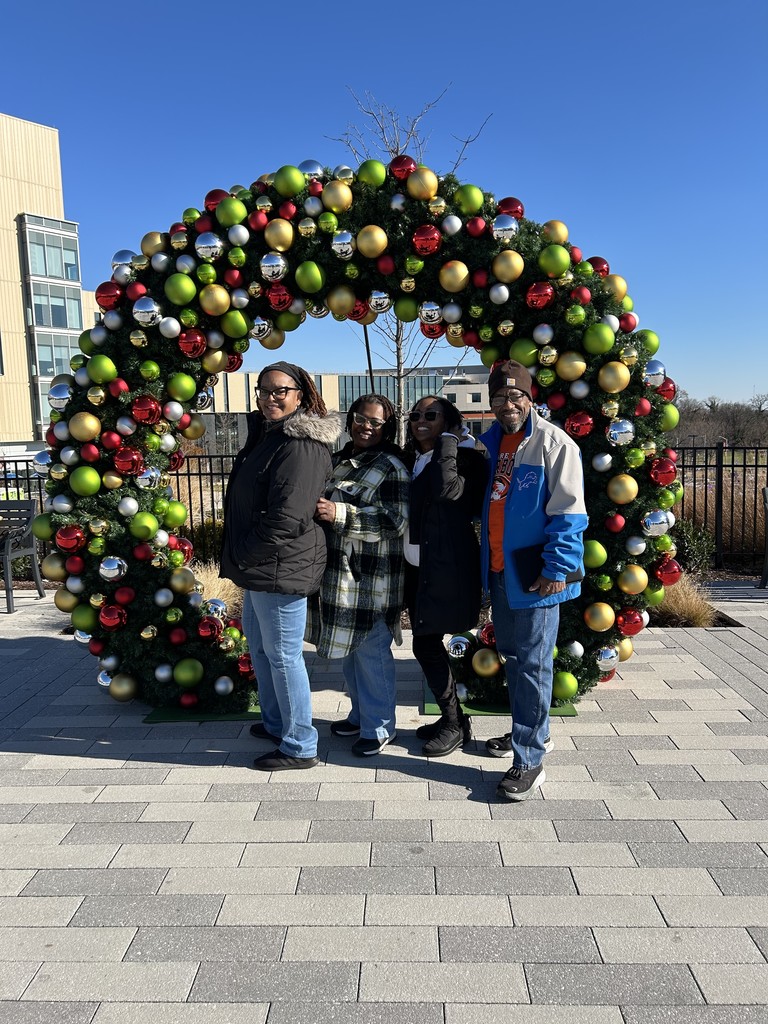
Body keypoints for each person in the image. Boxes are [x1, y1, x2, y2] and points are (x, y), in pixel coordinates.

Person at [219, 361, 340, 771]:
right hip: (259, 565)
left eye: (280, 391)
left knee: (285, 657)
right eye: (264, 390)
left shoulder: (301, 444)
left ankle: (300, 744)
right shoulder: (270, 437)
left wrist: (245, 553)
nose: (271, 398)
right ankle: (276, 723)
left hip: (279, 565)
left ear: (300, 395)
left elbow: (288, 516)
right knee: (262, 650)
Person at [480, 360, 587, 801]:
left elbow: (569, 511)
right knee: (513, 657)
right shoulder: (489, 444)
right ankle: (533, 732)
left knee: (534, 666)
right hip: (500, 571)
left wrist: (556, 568)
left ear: (530, 399)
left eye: (516, 396)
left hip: (537, 575)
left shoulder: (553, 443)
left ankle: (529, 760)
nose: (508, 404)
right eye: (500, 397)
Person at [310, 394, 409, 756]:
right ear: (350, 418)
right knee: (351, 653)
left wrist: (339, 513)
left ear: (387, 427)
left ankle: (381, 727)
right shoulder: (338, 461)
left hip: (372, 579)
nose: (367, 426)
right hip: (339, 577)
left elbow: (394, 521)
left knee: (371, 654)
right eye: (361, 418)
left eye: (376, 422)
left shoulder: (391, 467)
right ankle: (360, 714)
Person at [403, 395, 488, 757]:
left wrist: (450, 442)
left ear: (450, 422)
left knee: (425, 641)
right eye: (416, 414)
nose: (421, 420)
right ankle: (451, 717)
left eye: (431, 415)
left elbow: (447, 490)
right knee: (425, 642)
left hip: (446, 566)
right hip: (415, 566)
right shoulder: (411, 457)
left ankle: (454, 723)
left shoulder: (470, 458)